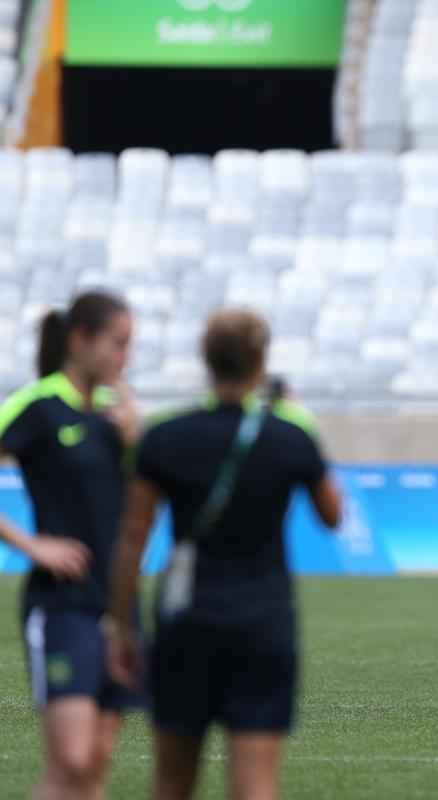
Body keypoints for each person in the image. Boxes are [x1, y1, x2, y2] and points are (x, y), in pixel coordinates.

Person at [105, 309, 344, 800]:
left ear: (206, 359)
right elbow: (333, 515)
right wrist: (302, 422)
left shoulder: (165, 437)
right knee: (255, 787)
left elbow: (132, 539)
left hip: (186, 621)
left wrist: (122, 625)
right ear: (261, 360)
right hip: (263, 622)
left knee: (172, 784)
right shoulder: (289, 435)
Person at [0, 291, 139, 799]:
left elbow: (146, 501)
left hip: (120, 606)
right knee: (73, 760)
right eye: (117, 344)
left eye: (129, 346)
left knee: (95, 765)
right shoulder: (38, 406)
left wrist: (136, 438)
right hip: (63, 603)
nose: (124, 357)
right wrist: (32, 545)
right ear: (80, 340)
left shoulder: (117, 416)